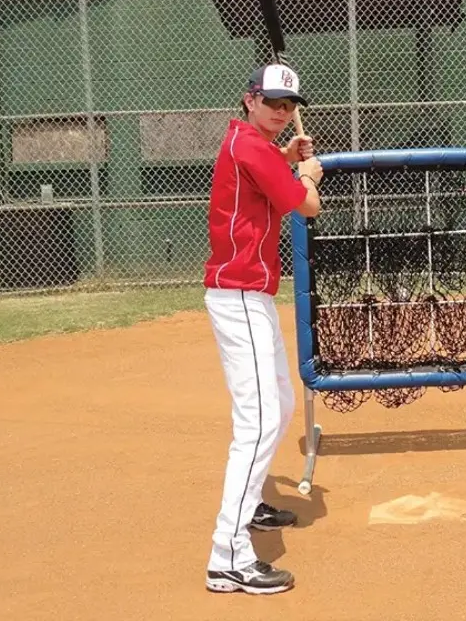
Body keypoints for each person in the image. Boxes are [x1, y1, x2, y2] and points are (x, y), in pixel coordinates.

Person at [202, 62, 323, 595]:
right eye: (271, 100)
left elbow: (264, 175)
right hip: (240, 298)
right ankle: (227, 556)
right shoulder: (252, 148)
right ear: (248, 99)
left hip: (250, 296)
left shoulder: (248, 142)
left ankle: (250, 506)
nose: (281, 110)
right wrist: (307, 174)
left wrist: (287, 159)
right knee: (256, 422)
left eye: (288, 104)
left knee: (282, 404)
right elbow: (306, 206)